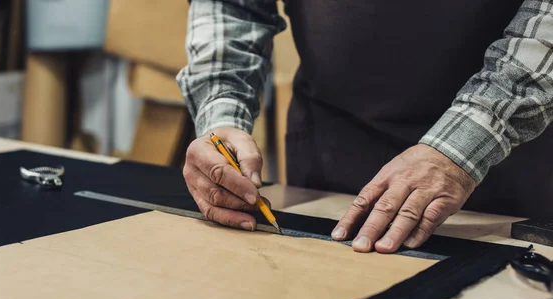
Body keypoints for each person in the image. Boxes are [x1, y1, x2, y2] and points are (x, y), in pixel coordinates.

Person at [176, 0, 553, 254]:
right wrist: (220, 114)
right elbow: (233, 7)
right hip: (330, 147)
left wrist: (459, 148)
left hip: (508, 156)